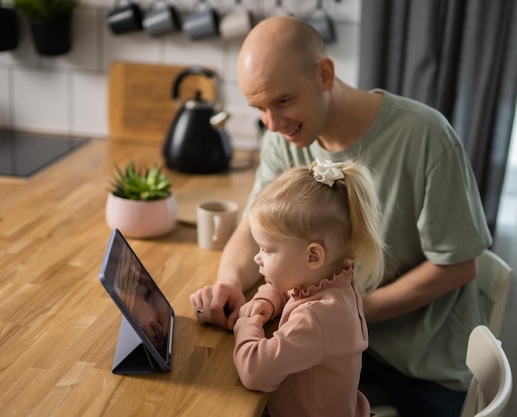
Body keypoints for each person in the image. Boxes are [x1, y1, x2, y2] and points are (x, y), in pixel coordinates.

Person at [189, 16, 492, 417]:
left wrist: (345, 313)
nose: (273, 124)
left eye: (282, 101)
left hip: (423, 367)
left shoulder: (426, 136)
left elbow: (457, 266)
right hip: (336, 348)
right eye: (259, 108)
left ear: (325, 74)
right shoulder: (287, 140)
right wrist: (228, 283)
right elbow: (252, 230)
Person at [233, 159, 384, 417]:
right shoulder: (335, 280)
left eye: (267, 250)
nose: (257, 258)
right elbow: (289, 286)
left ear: (313, 256)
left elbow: (255, 372)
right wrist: (267, 300)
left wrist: (247, 325)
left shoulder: (317, 318)